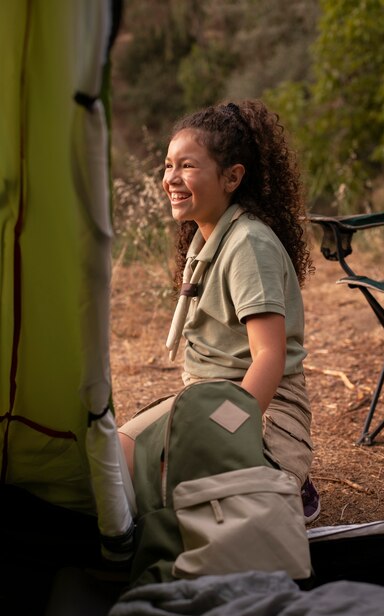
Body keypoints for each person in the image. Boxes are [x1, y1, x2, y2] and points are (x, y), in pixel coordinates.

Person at [118, 99, 320, 523]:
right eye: (168, 165)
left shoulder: (249, 244)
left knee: (177, 490)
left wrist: (224, 432)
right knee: (113, 462)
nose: (171, 178)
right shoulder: (205, 240)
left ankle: (283, 479)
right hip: (203, 398)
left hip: (261, 406)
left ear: (232, 177)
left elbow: (269, 356)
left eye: (187, 166)